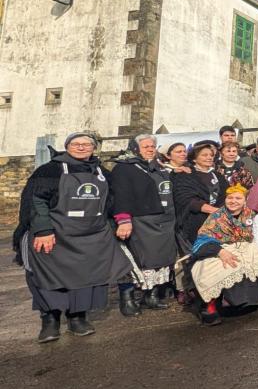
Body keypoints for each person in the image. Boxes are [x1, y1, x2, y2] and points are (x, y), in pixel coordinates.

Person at [14, 131, 132, 342]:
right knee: (47, 276)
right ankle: (50, 320)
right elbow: (36, 200)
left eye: (86, 144)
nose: (81, 147)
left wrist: (121, 220)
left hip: (91, 236)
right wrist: (43, 230)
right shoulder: (50, 170)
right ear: (67, 146)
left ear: (93, 148)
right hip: (55, 235)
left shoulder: (102, 172)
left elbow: (114, 201)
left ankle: (77, 318)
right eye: (76, 144)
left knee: (86, 279)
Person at [110, 134, 177, 316]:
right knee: (137, 261)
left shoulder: (158, 167)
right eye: (145, 146)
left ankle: (151, 296)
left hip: (163, 221)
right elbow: (120, 196)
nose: (150, 149)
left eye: (152, 146)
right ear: (135, 148)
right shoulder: (124, 169)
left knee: (159, 261)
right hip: (140, 221)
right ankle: (128, 300)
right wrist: (124, 221)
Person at [189, 184, 258, 325]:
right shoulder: (217, 216)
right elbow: (202, 239)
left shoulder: (252, 214)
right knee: (212, 268)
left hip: (248, 248)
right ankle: (210, 305)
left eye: (238, 198)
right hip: (220, 248)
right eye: (230, 198)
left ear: (245, 200)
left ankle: (254, 298)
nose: (233, 201)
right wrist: (220, 251)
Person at [173, 141, 223, 251]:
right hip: (195, 222)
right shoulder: (186, 175)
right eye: (204, 155)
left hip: (218, 223)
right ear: (194, 159)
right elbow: (188, 200)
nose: (209, 157)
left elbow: (226, 195)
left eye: (211, 155)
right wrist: (215, 211)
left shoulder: (218, 175)